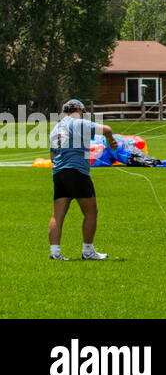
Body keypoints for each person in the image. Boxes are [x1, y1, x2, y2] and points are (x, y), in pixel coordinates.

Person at [48, 99, 116, 261]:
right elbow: (107, 129)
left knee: (57, 216)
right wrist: (110, 140)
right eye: (83, 112)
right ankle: (88, 251)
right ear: (79, 110)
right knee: (91, 212)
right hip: (77, 172)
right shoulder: (79, 123)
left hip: (59, 174)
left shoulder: (56, 128)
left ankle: (55, 253)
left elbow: (52, 156)